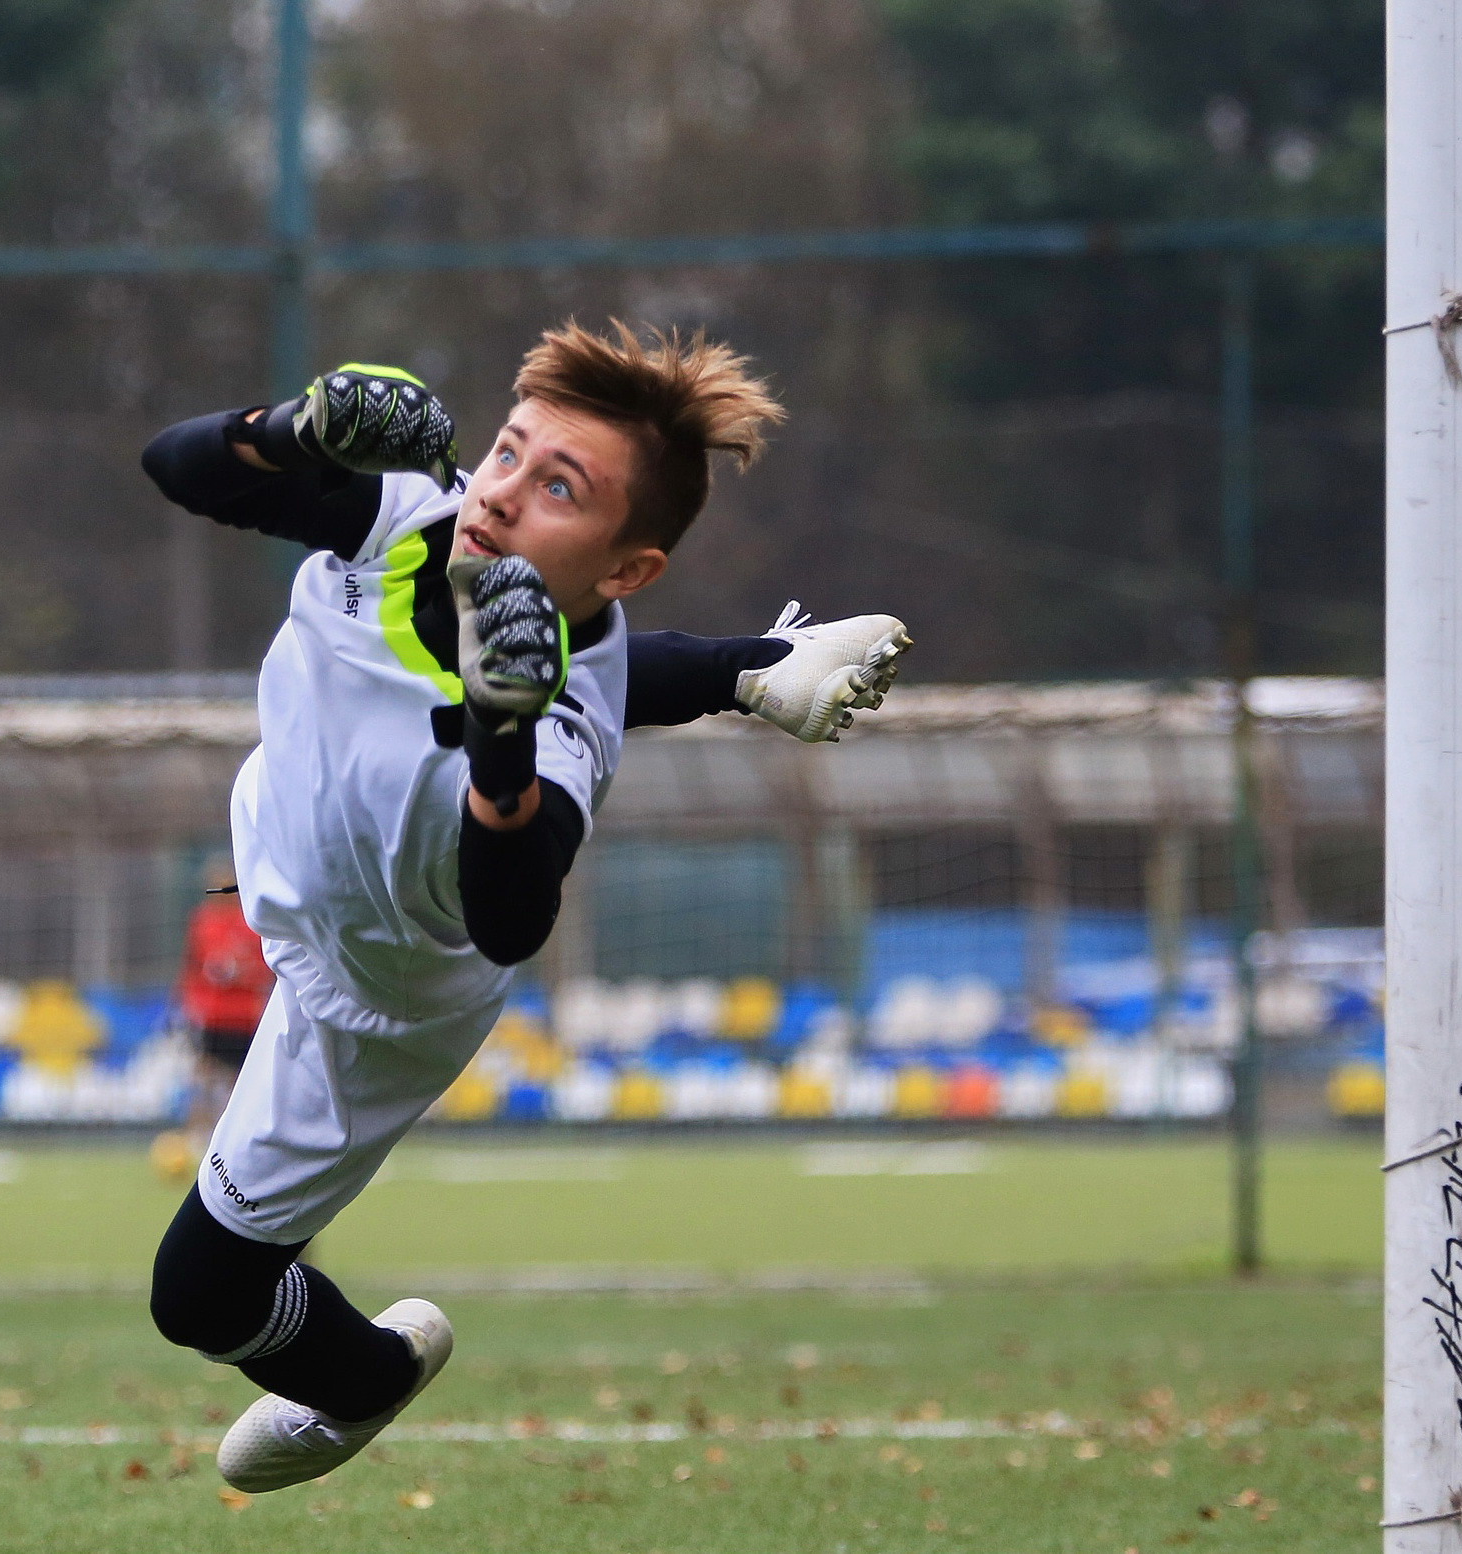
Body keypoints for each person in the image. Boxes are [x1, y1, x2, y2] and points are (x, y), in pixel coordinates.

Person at [140, 322, 910, 1493]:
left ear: (627, 568)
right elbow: (178, 467)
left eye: (560, 488)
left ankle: (368, 1378)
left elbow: (508, 920)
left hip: (377, 1000)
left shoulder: (563, 724)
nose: (500, 493)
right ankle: (755, 666)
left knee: (196, 1297)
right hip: (287, 854)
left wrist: (500, 735)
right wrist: (299, 429)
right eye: (509, 450)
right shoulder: (409, 509)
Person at [152, 858, 277, 1184]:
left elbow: (264, 967)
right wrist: (183, 1001)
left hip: (243, 1014)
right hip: (211, 1013)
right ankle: (198, 1138)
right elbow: (194, 964)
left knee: (240, 1080)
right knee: (204, 1073)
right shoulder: (203, 920)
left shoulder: (251, 921)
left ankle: (239, 1141)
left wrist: (239, 971)